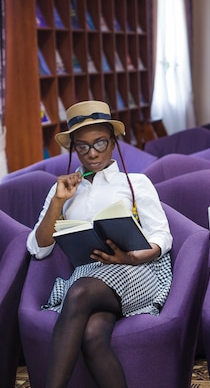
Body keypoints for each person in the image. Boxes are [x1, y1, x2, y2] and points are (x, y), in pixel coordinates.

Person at [26, 101, 173, 388]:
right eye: (82, 146)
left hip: (138, 270)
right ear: (73, 149)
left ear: (114, 142)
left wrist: (133, 257)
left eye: (100, 143)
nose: (92, 153)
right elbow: (38, 248)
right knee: (93, 334)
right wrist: (58, 202)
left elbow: (161, 237)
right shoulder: (63, 191)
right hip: (90, 276)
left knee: (79, 294)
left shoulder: (136, 183)